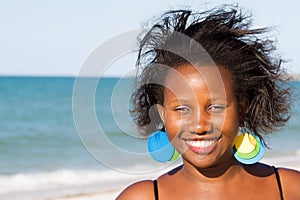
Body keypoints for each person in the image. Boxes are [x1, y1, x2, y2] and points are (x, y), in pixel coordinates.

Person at [117, 5, 300, 200]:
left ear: (242, 109)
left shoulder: (289, 189)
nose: (199, 126)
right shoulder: (143, 197)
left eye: (216, 107)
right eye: (182, 109)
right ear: (162, 114)